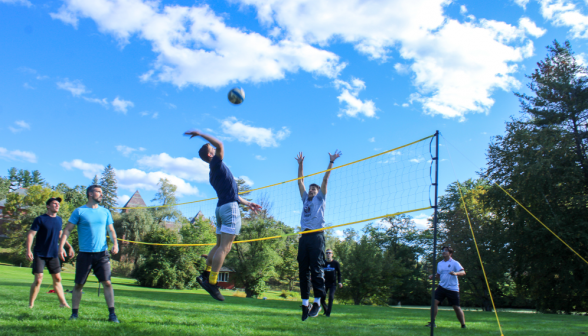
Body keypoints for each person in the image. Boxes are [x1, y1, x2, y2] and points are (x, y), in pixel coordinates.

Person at [185, 129, 262, 301]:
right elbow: (221, 144)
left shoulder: (213, 172)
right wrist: (199, 133)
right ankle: (212, 283)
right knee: (225, 248)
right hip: (229, 209)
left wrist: (248, 203)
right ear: (211, 154)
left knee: (219, 245)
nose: (215, 148)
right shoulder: (217, 163)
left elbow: (233, 194)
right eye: (212, 148)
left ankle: (205, 275)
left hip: (221, 208)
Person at [58, 185, 120, 323]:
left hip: (102, 254)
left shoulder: (105, 212)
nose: (101, 195)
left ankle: (112, 315)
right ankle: (74, 314)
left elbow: (111, 230)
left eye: (102, 192)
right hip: (85, 254)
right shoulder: (79, 211)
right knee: (79, 285)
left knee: (107, 283)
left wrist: (115, 244)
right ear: (90, 194)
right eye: (99, 192)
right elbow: (67, 230)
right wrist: (61, 247)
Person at [295, 149, 342, 321]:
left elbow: (325, 179)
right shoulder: (305, 199)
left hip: (316, 236)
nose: (312, 190)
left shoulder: (320, 198)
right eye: (310, 188)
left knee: (316, 269)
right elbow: (300, 181)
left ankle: (317, 302)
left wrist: (331, 162)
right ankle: (305, 304)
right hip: (304, 237)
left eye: (314, 188)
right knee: (303, 271)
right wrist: (300, 164)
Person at [26, 197, 75, 309]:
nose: (57, 205)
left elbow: (60, 235)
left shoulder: (59, 220)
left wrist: (69, 246)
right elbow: (31, 234)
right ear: (48, 206)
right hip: (40, 253)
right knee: (38, 279)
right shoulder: (40, 219)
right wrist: (28, 250)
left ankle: (63, 303)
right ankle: (31, 304)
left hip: (53, 254)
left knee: (58, 279)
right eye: (54, 203)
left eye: (58, 204)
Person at [426, 246, 466, 329]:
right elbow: (438, 275)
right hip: (442, 287)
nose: (443, 252)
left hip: (452, 288)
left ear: (450, 254)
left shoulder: (455, 263)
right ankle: (432, 323)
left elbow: (463, 272)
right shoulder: (440, 263)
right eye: (443, 251)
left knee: (456, 307)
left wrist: (455, 273)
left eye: (446, 251)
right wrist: (432, 276)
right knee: (434, 303)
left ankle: (463, 325)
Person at [321, 249, 342, 317]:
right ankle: (326, 309)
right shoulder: (323, 263)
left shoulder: (336, 263)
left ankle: (328, 313)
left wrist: (339, 282)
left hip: (333, 284)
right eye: (327, 253)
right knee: (322, 298)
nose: (328, 254)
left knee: (331, 297)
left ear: (332, 254)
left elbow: (339, 273)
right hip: (324, 283)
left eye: (329, 253)